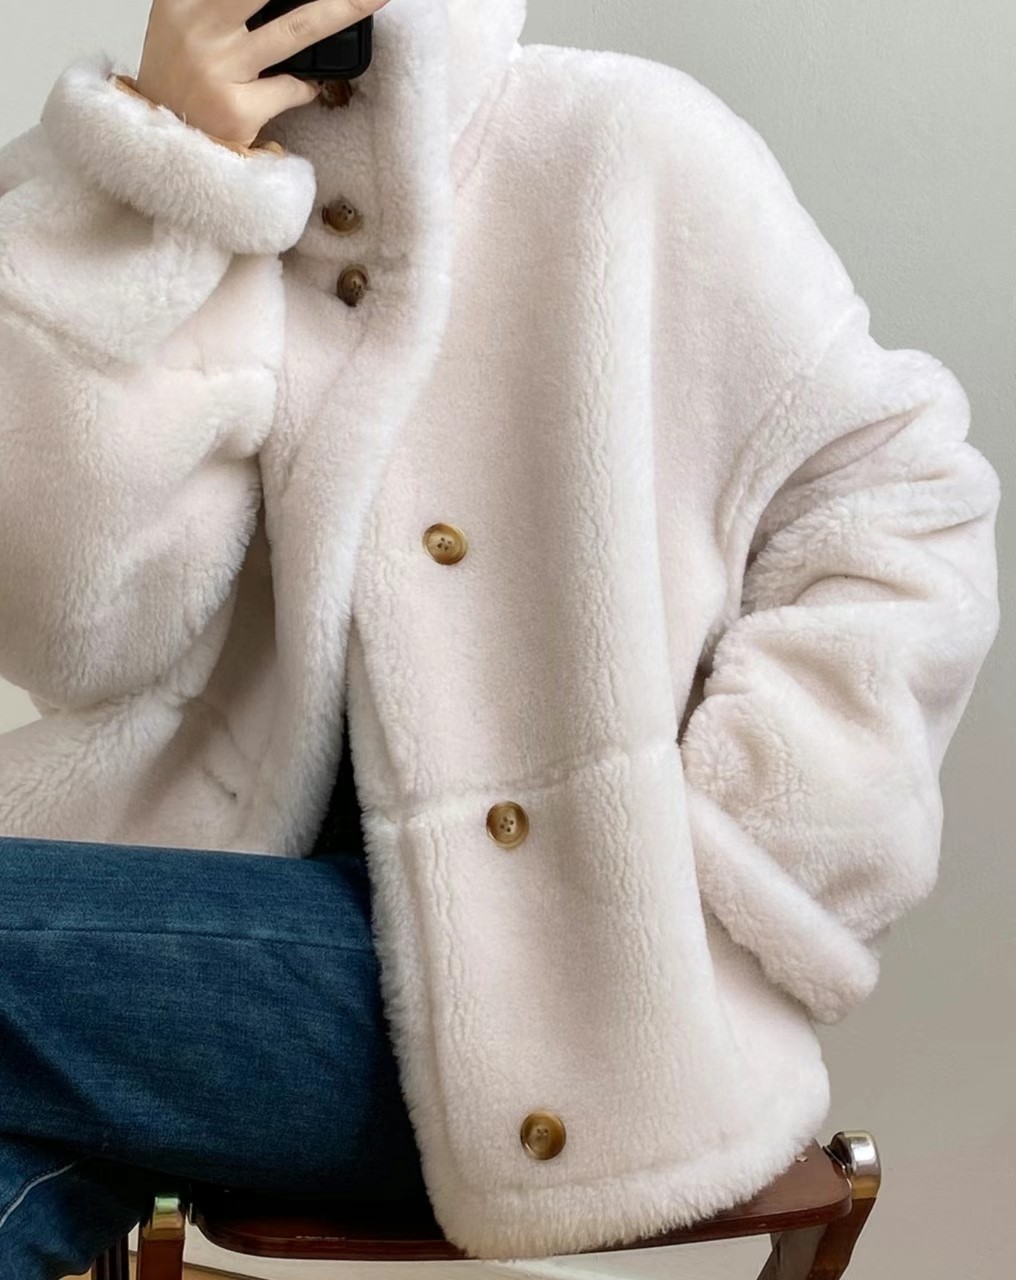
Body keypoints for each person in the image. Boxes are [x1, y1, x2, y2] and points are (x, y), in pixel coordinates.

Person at [0, 0, 1002, 1271]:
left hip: (548, 998)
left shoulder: (626, 146)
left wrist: (722, 860)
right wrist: (166, 178)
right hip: (196, 933)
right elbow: (76, 632)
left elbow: (900, 501)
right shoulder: (127, 189)